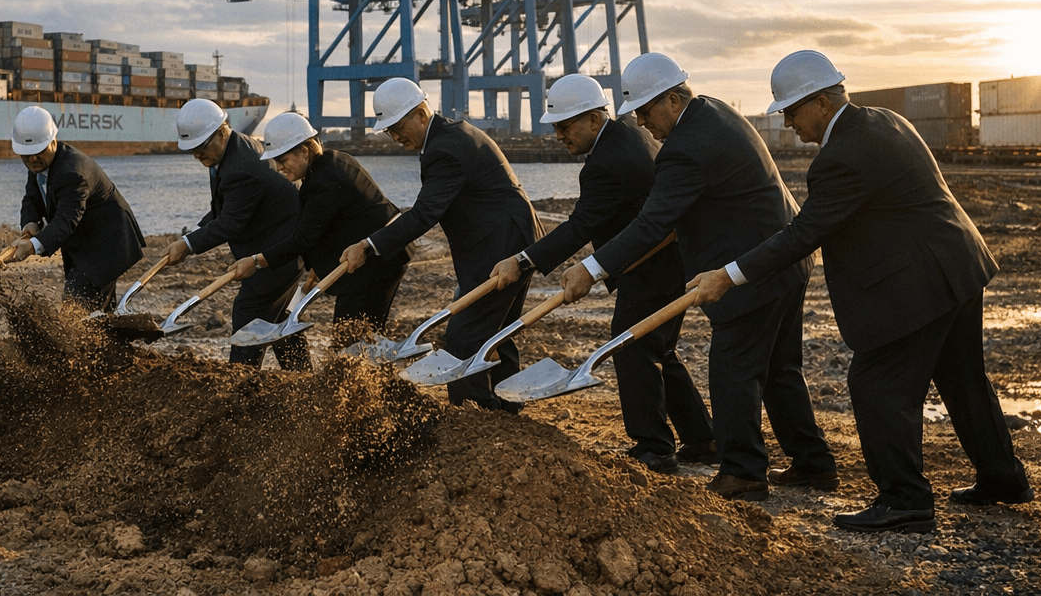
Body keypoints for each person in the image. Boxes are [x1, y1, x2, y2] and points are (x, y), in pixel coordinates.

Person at [688, 50, 1033, 533]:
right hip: (959, 264)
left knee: (877, 385)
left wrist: (729, 274)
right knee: (963, 379)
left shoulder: (841, 156)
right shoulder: (884, 121)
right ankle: (1003, 479)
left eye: (792, 111)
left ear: (823, 102)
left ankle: (904, 501)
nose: (788, 124)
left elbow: (803, 235)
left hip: (920, 281)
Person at [561, 52, 836, 501]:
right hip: (783, 259)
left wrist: (592, 268)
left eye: (647, 112)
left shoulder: (685, 149)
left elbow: (653, 223)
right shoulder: (714, 110)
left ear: (672, 99)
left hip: (749, 270)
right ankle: (813, 464)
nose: (643, 123)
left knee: (734, 371)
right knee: (780, 370)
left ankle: (744, 472)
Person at [490, 74, 715, 474]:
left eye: (565, 125)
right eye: (555, 126)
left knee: (630, 347)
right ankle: (701, 439)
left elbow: (580, 226)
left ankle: (654, 448)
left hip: (649, 266)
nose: (558, 135)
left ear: (594, 120)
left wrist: (524, 260)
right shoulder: (628, 133)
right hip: (671, 261)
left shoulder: (606, 163)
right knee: (658, 349)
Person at [341, 78, 544, 411]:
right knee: (497, 330)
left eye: (398, 127)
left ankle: (473, 414)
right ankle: (508, 407)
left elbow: (424, 215)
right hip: (515, 237)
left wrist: (368, 246)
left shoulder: (443, 149)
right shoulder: (452, 134)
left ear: (421, 113)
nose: (395, 137)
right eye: (389, 131)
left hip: (499, 245)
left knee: (464, 336)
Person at [161, 99, 310, 370]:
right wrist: (192, 234)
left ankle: (241, 381)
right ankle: (301, 378)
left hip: (278, 252)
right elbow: (222, 208)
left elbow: (230, 224)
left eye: (200, 147)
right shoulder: (229, 151)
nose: (196, 155)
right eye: (192, 149)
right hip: (279, 245)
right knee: (276, 318)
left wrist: (188, 245)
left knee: (249, 312)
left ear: (221, 131)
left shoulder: (240, 167)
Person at [227, 111, 410, 331]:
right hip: (384, 254)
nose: (278, 167)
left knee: (351, 338)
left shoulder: (320, 183)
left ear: (304, 151)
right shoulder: (334, 160)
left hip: (376, 263)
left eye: (282, 159)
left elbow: (302, 239)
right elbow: (338, 222)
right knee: (358, 336)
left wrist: (256, 261)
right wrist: (318, 265)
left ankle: (375, 364)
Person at [0, 105, 145, 309]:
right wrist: (30, 223)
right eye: (26, 153)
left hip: (107, 242)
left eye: (38, 151)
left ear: (53, 141)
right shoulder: (39, 163)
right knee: (94, 307)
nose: (32, 159)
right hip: (82, 241)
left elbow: (65, 222)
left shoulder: (72, 173)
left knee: (76, 303)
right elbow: (32, 197)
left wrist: (34, 245)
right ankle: (111, 337)